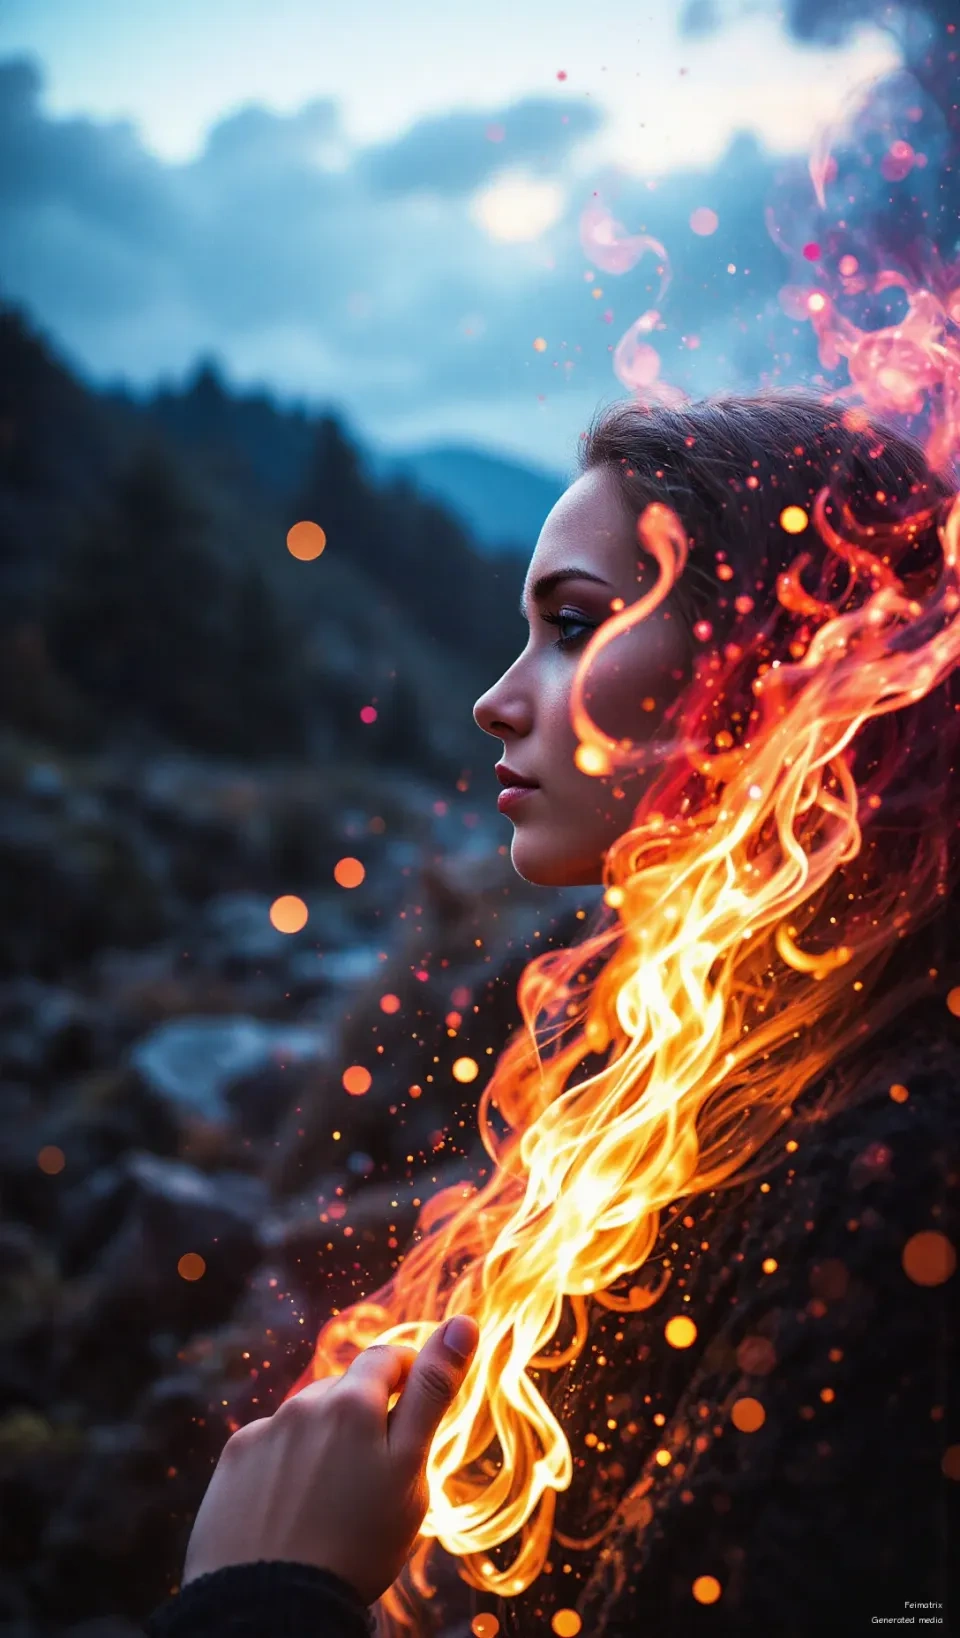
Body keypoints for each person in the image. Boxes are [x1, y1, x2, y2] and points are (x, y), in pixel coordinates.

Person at [147, 392, 959, 1638]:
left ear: (797, 666)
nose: (498, 701)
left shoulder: (897, 1174)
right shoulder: (696, 1080)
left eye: (572, 627)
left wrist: (268, 1599)